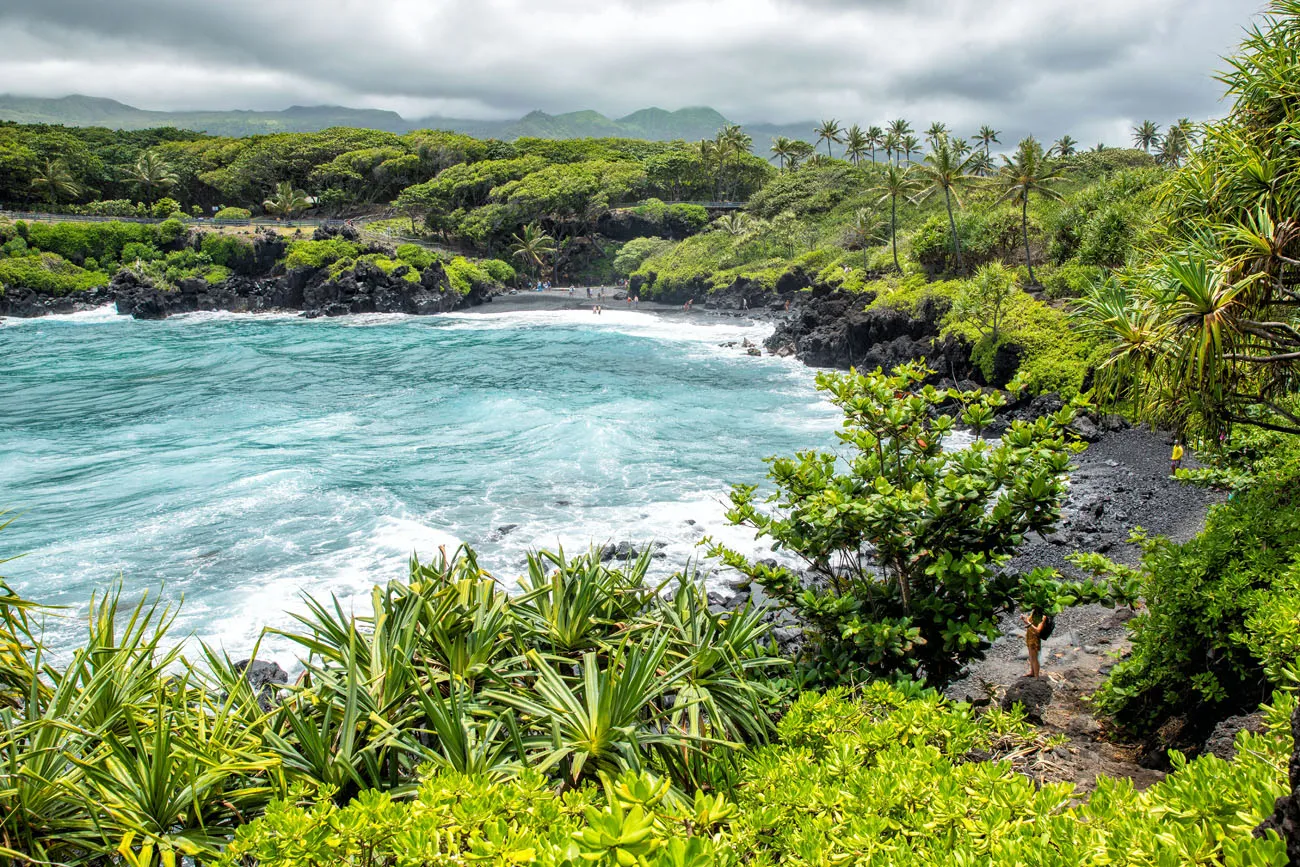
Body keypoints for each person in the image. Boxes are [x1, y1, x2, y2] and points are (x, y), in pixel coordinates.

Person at [1021, 610, 1050, 678]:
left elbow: (1038, 630)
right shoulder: (1034, 612)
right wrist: (1024, 619)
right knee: (1031, 656)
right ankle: (1032, 672)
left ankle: (1036, 676)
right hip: (1029, 636)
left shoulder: (1043, 617)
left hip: (1034, 638)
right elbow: (1029, 620)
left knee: (1035, 658)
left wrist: (1028, 622)